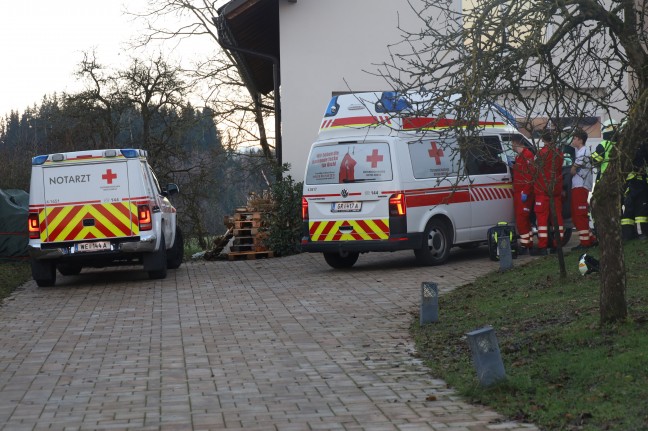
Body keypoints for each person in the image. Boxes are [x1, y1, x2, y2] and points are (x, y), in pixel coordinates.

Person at [532, 132, 564, 255]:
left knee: (542, 220)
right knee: (557, 219)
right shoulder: (559, 154)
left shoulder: (540, 154)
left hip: (543, 191)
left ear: (543, 140)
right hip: (555, 191)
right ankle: (558, 245)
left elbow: (534, 170)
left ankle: (542, 247)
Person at [569, 129, 596, 250]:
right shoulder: (579, 151)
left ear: (580, 140)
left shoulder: (583, 152)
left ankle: (585, 243)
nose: (573, 140)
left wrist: (572, 169)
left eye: (574, 138)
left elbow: (573, 170)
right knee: (577, 215)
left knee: (580, 215)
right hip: (578, 186)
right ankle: (591, 239)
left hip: (581, 186)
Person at [511, 136, 535, 253]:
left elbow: (531, 175)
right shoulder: (519, 156)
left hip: (524, 193)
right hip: (518, 192)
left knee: (522, 219)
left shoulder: (527, 155)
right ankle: (529, 243)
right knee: (523, 220)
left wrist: (525, 191)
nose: (511, 145)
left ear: (516, 143)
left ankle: (525, 245)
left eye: (512, 143)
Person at [621, 143, 648, 241]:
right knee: (640, 210)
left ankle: (627, 235)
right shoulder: (639, 150)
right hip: (638, 183)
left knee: (629, 211)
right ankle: (641, 234)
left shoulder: (626, 147)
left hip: (629, 184)